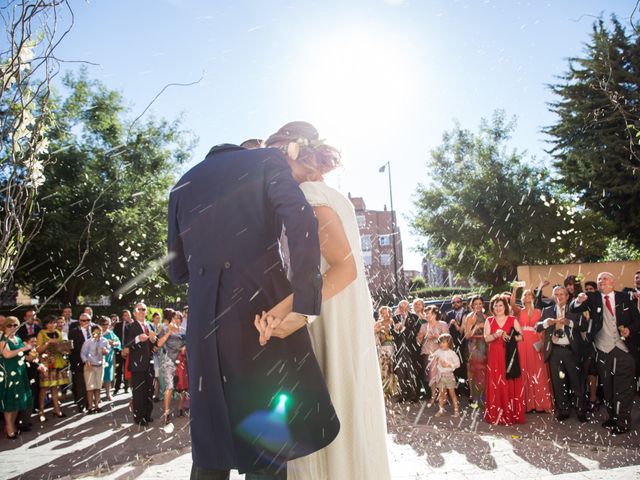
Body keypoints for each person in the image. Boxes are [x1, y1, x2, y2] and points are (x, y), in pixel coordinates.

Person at [168, 125, 339, 480]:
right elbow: (300, 220)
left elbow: (176, 270)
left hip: (204, 328)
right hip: (260, 316)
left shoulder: (182, 183)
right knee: (266, 438)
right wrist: (303, 301)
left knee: (210, 444)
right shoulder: (265, 160)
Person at [255, 121, 390, 480]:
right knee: (342, 411)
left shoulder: (311, 195)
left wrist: (298, 314)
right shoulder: (326, 193)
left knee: (327, 410)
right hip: (331, 314)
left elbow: (344, 269)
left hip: (326, 318)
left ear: (291, 153)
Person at [571, 272, 640, 434]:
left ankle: (622, 422)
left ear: (613, 282)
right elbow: (574, 308)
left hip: (623, 350)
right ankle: (612, 417)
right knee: (607, 387)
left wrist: (630, 330)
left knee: (623, 389)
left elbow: (638, 320)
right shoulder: (592, 297)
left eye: (605, 278)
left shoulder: (625, 298)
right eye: (599, 279)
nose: (601, 281)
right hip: (602, 350)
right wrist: (578, 300)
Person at [536, 286, 586, 422]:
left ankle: (580, 410)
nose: (559, 296)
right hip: (555, 351)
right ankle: (563, 410)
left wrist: (569, 322)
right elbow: (537, 327)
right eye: (556, 294)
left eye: (562, 294)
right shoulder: (547, 310)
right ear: (553, 296)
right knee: (558, 383)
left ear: (567, 296)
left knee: (576, 382)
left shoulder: (575, 309)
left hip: (571, 351)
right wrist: (546, 323)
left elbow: (583, 326)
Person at [483, 295, 525, 426]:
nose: (498, 308)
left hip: (509, 356)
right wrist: (497, 334)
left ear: (505, 307)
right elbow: (486, 338)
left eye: (500, 305)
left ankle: (511, 413)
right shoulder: (489, 320)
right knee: (496, 382)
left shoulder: (512, 320)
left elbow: (521, 337)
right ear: (492, 308)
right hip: (494, 356)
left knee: (509, 382)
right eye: (495, 305)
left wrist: (510, 337)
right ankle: (496, 414)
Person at [510, 286, 553, 413]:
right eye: (526, 295)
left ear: (533, 298)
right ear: (523, 298)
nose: (528, 296)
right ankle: (527, 404)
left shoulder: (539, 312)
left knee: (539, 370)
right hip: (522, 343)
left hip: (536, 342)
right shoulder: (519, 311)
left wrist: (543, 343)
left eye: (530, 295)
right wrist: (515, 290)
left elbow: (543, 328)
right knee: (524, 370)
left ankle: (542, 403)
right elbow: (512, 304)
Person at [1, 316, 34, 439]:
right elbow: (7, 354)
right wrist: (23, 348)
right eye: (10, 325)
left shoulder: (18, 339)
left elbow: (21, 356)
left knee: (17, 401)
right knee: (10, 401)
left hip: (20, 372)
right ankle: (9, 427)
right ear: (4, 327)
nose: (13, 328)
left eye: (15, 325)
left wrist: (31, 356)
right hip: (9, 373)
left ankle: (11, 425)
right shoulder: (3, 339)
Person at [125, 302, 156, 426]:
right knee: (139, 392)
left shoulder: (149, 326)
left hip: (149, 363)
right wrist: (138, 339)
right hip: (137, 364)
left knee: (149, 390)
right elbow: (126, 343)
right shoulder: (130, 326)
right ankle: (139, 417)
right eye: (140, 309)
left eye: (144, 309)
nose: (142, 311)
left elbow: (153, 345)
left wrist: (153, 340)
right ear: (134, 313)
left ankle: (147, 415)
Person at [35, 315, 69, 419]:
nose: (52, 325)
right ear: (45, 324)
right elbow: (38, 350)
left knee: (55, 387)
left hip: (58, 362)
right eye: (50, 323)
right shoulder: (41, 333)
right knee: (44, 388)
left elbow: (62, 347)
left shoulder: (58, 333)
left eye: (54, 322)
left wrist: (63, 348)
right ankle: (41, 411)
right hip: (46, 363)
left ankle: (57, 410)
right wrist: (48, 343)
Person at [156, 311, 186, 424]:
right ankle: (166, 414)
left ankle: (179, 409)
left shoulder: (183, 331)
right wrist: (169, 332)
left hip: (181, 362)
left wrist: (184, 348)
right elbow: (159, 344)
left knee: (182, 387)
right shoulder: (164, 328)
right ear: (171, 319)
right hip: (168, 361)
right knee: (169, 387)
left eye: (179, 318)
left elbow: (188, 344)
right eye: (175, 318)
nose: (177, 320)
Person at [416, 305, 449, 407]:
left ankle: (443, 397)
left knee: (441, 376)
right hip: (428, 353)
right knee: (431, 377)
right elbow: (419, 341)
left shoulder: (442, 324)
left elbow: (448, 339)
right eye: (425, 314)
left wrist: (438, 337)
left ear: (435, 314)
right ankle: (433, 396)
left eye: (428, 313)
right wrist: (420, 337)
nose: (426, 315)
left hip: (441, 353)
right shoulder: (424, 326)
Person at [392, 299, 421, 401]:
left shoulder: (414, 317)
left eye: (405, 307)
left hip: (411, 349)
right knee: (401, 373)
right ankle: (403, 394)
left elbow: (414, 332)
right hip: (399, 350)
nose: (403, 309)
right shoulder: (395, 318)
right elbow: (392, 335)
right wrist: (396, 329)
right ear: (399, 308)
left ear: (409, 307)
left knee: (411, 372)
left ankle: (414, 395)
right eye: (401, 307)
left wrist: (403, 328)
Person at [463, 295, 487, 408]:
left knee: (485, 371)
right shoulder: (469, 317)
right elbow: (467, 335)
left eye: (480, 304)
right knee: (474, 371)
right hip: (474, 346)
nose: (478, 306)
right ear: (472, 305)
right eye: (476, 304)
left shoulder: (486, 316)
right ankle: (474, 397)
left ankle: (484, 396)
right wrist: (477, 327)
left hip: (485, 345)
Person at [81, 325, 110, 413]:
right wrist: (86, 361)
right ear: (92, 333)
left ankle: (97, 405)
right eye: (96, 332)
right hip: (90, 366)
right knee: (90, 387)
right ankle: (90, 406)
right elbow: (83, 353)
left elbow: (108, 350)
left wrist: (106, 351)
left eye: (100, 332)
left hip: (100, 365)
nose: (98, 334)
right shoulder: (88, 342)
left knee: (98, 386)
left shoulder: (104, 341)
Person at [430, 333, 460, 417]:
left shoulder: (452, 353)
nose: (441, 344)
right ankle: (441, 409)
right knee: (441, 394)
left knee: (452, 394)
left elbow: (458, 364)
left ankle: (456, 410)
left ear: (449, 343)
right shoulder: (438, 352)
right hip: (441, 375)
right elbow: (432, 357)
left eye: (443, 342)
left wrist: (449, 365)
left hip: (449, 376)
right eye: (440, 343)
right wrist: (433, 356)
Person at [69, 313, 93, 413]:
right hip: (78, 361)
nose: (86, 322)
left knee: (90, 383)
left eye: (88, 320)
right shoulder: (73, 332)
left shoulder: (94, 330)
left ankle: (90, 404)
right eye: (83, 320)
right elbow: (71, 348)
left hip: (92, 361)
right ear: (79, 321)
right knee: (80, 384)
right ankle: (81, 405)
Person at [446, 295, 468, 397]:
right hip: (454, 344)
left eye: (458, 302)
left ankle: (466, 389)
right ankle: (458, 389)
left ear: (462, 302)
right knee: (455, 367)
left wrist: (455, 324)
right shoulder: (449, 314)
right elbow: (446, 330)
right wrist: (450, 324)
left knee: (465, 366)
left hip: (465, 344)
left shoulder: (467, 313)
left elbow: (463, 331)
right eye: (453, 302)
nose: (455, 304)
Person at [374, 306, 398, 398]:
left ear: (390, 313)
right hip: (383, 348)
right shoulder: (379, 324)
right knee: (384, 369)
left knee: (393, 369)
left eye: (387, 312)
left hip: (394, 347)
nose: (385, 314)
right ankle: (385, 390)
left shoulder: (394, 321)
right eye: (383, 313)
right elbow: (376, 336)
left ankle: (394, 389)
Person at [99, 316, 121, 401]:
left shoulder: (110, 333)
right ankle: (98, 397)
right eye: (103, 324)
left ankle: (108, 394)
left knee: (107, 376)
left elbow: (118, 342)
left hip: (108, 358)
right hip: (98, 358)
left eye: (107, 324)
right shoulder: (97, 333)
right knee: (99, 377)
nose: (105, 326)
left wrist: (114, 343)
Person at [113, 309, 132, 394]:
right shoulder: (118, 325)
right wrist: (118, 348)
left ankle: (126, 387)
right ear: (122, 317)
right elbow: (115, 337)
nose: (127, 317)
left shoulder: (132, 325)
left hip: (129, 350)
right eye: (125, 315)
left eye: (128, 315)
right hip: (120, 349)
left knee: (127, 369)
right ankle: (117, 387)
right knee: (119, 369)